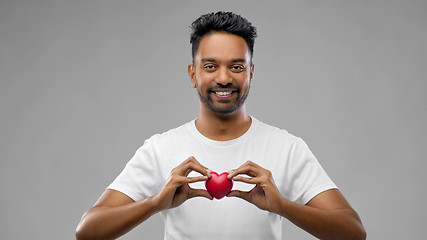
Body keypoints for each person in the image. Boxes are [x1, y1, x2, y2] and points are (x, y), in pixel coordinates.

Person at [76, 11, 366, 240]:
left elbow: (353, 231)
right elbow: (87, 231)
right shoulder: (159, 149)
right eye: (210, 66)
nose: (224, 78)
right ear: (193, 74)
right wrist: (155, 203)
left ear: (251, 73)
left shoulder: (287, 148)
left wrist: (283, 207)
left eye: (237, 67)